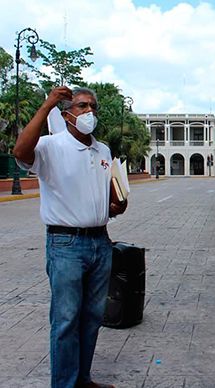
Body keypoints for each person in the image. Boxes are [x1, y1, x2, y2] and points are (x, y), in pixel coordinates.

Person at [13, 86, 126, 388]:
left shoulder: (102, 150)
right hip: (66, 246)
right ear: (66, 115)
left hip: (100, 242)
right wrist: (48, 102)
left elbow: (102, 196)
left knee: (91, 318)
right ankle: (64, 383)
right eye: (81, 106)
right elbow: (20, 152)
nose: (89, 112)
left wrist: (115, 206)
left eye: (92, 106)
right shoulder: (51, 146)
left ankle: (82, 379)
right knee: (65, 321)